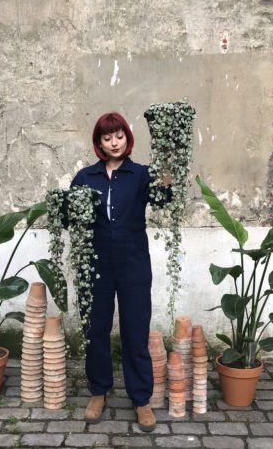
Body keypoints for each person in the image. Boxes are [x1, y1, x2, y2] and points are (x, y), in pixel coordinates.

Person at [71, 111, 169, 432]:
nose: (114, 142)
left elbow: (164, 199)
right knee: (96, 329)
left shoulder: (140, 174)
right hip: (95, 265)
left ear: (127, 137)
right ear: (99, 142)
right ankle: (99, 392)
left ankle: (141, 399)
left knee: (135, 331)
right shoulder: (85, 177)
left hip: (133, 264)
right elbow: (70, 216)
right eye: (107, 137)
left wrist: (169, 167)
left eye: (119, 136)